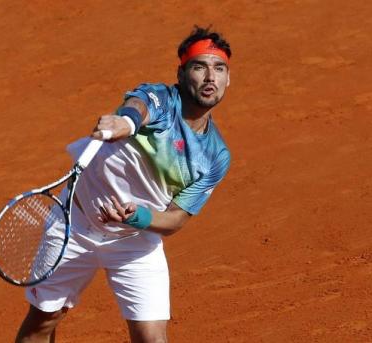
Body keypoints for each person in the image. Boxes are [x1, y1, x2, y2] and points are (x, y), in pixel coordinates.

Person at [15, 25, 232, 343]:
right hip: (74, 227)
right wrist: (125, 122)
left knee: (152, 339)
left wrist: (136, 217)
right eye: (200, 67)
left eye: (219, 68)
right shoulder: (160, 99)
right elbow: (138, 109)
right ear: (182, 73)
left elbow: (174, 219)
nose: (210, 77)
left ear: (228, 78)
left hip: (134, 242)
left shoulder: (216, 157)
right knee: (41, 325)